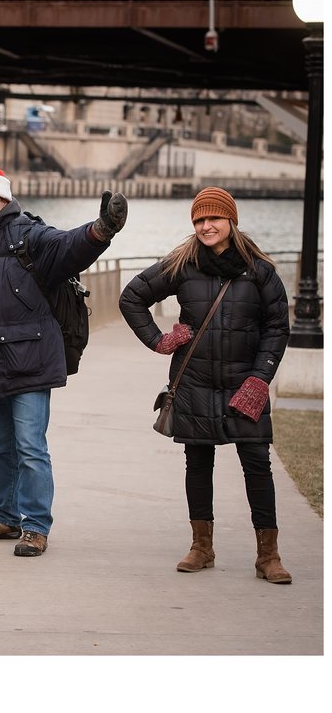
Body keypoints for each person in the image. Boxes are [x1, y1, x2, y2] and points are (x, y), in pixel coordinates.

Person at [119, 186, 292, 583]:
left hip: (243, 383)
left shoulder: (260, 271)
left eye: (213, 218)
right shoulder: (182, 264)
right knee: (197, 463)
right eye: (199, 219)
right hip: (195, 381)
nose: (206, 226)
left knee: (257, 466)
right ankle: (202, 547)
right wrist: (161, 340)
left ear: (231, 220)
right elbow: (132, 298)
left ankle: (269, 555)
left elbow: (277, 328)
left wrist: (260, 379)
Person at [0, 163, 127, 557]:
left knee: (31, 447)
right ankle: (4, 515)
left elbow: (68, 245)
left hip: (30, 360)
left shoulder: (28, 232)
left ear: (5, 198)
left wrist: (101, 229)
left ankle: (35, 526)